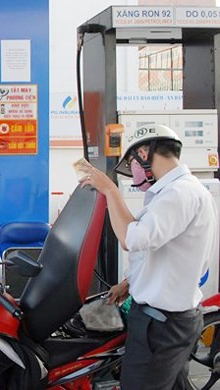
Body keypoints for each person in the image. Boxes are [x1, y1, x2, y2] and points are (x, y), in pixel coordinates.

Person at [80, 124, 218, 389]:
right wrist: (129, 283)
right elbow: (160, 252)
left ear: (144, 152)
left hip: (161, 325)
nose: (132, 173)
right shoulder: (175, 192)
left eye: (131, 163)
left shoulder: (178, 194)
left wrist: (110, 191)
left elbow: (132, 239)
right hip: (168, 320)